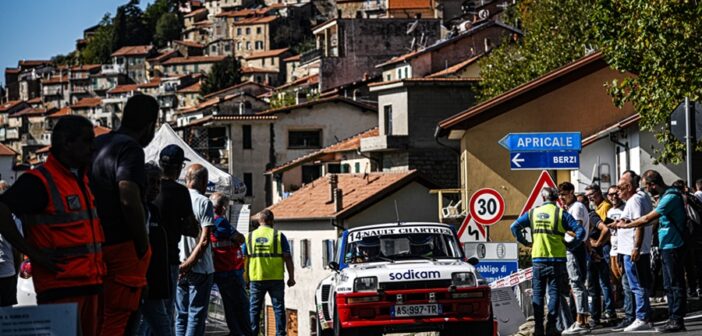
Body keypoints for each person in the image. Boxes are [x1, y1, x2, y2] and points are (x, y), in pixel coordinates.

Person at [0, 116, 105, 335]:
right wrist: (31, 253)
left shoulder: (82, 180)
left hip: (91, 285)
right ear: (67, 143)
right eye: (86, 141)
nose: (91, 147)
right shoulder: (39, 181)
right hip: (61, 290)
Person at [91, 94, 158, 335]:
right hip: (123, 251)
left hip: (95, 246)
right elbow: (128, 195)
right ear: (150, 126)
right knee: (120, 321)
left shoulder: (99, 144)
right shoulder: (131, 149)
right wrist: (142, 246)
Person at [614, 170, 687, 332]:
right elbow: (652, 221)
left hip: (674, 245)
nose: (646, 189)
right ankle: (673, 318)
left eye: (647, 186)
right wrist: (631, 221)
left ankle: (677, 320)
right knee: (668, 284)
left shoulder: (670, 197)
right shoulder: (663, 197)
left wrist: (627, 225)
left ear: (653, 184)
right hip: (666, 245)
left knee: (675, 284)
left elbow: (647, 218)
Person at [511, 187, 586, 336]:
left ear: (543, 198)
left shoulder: (533, 213)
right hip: (557, 260)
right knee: (554, 294)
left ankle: (539, 328)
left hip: (538, 259)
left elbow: (514, 227)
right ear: (556, 199)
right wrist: (572, 245)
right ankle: (551, 326)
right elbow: (581, 232)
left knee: (538, 295)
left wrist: (525, 242)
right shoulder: (560, 213)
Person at [154, 144, 199, 327]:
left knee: (148, 311)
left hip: (146, 257)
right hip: (170, 258)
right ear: (179, 167)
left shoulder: (147, 188)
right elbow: (192, 229)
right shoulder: (180, 192)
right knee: (166, 311)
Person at [607, 170, 654, 332]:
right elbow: (636, 221)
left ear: (628, 187)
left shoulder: (635, 200)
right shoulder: (641, 198)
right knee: (639, 284)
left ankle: (642, 317)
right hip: (636, 249)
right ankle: (642, 315)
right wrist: (621, 223)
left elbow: (640, 224)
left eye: (620, 187)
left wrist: (636, 247)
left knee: (637, 285)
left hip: (632, 250)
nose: (617, 191)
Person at [176, 164, 215, 336]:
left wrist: (182, 265)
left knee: (181, 315)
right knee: (196, 315)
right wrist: (190, 264)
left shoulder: (176, 198)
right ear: (204, 181)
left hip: (178, 265)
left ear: (187, 179)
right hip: (200, 267)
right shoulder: (204, 202)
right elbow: (205, 239)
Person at [246, 209, 295, 336]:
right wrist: (291, 277)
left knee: (254, 310)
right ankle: (280, 334)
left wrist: (244, 278)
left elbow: (243, 258)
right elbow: (287, 257)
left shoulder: (250, 236)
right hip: (276, 278)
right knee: (278, 308)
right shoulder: (279, 236)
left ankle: (252, 333)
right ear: (271, 221)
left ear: (259, 221)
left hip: (256, 277)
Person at [137, 163, 174, 336]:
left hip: (154, 286)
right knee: (163, 328)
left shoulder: (153, 210)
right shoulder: (137, 210)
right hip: (142, 283)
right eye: (151, 182)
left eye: (158, 183)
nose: (156, 188)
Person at [209, 192, 250, 336]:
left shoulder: (207, 219)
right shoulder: (220, 221)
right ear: (223, 207)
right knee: (240, 306)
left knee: (229, 306)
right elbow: (240, 238)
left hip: (219, 268)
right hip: (230, 269)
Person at [557, 182, 591, 335]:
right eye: (560, 195)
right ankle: (581, 320)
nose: (561, 198)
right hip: (575, 248)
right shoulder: (572, 208)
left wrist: (560, 227)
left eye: (564, 194)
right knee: (577, 285)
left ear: (571, 192)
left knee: (577, 284)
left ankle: (581, 321)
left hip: (574, 248)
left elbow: (576, 231)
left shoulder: (576, 208)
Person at [586, 210, 616, 327]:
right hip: (595, 254)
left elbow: (605, 229)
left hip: (596, 254)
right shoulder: (587, 216)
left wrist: (597, 243)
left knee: (599, 285)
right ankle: (601, 314)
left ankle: (603, 314)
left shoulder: (591, 215)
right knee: (599, 286)